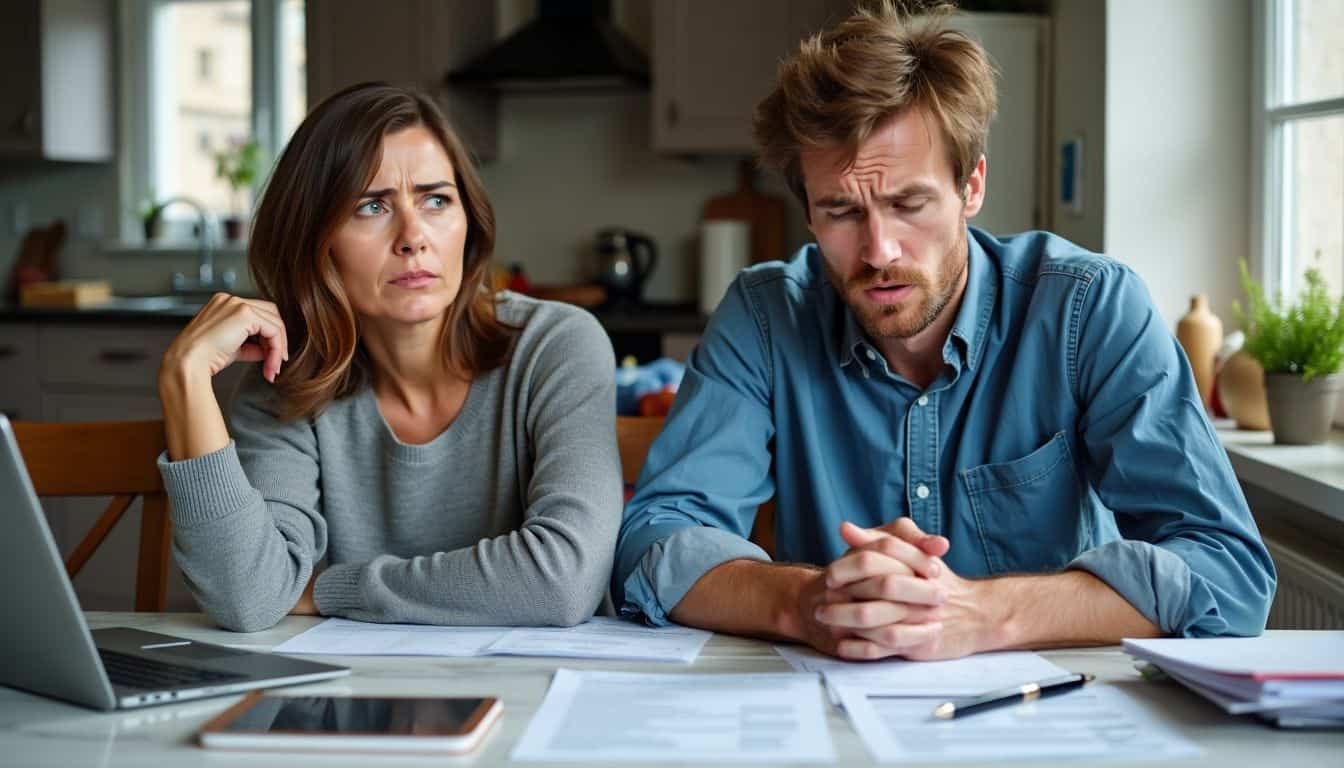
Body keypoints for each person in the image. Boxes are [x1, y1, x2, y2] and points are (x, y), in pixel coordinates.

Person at [613, 2, 1275, 660]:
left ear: (972, 185)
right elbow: (653, 543)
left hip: (1050, 712)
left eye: (909, 204)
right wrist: (802, 603)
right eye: (841, 211)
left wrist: (986, 614)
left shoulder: (1090, 309)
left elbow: (1227, 570)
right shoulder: (765, 317)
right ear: (808, 213)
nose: (879, 251)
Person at [158, 83, 621, 632]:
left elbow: (562, 583)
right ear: (314, 239)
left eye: (436, 200)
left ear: (468, 221)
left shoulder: (557, 345)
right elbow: (247, 598)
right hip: (349, 701)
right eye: (372, 206)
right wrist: (185, 379)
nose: (413, 237)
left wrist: (333, 588)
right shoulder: (288, 375)